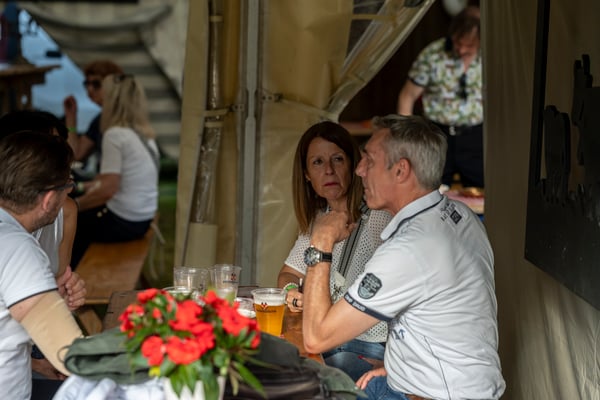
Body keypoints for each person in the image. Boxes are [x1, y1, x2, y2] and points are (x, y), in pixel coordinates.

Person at [301, 115, 505, 399]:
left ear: (400, 171)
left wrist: (321, 241)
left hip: (440, 396)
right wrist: (398, 368)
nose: (359, 169)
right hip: (456, 388)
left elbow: (315, 338)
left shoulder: (410, 248)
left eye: (369, 160)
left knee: (302, 385)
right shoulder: (459, 215)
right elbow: (453, 315)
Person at [277, 121, 391, 381]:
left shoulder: (379, 217)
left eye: (337, 159)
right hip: (326, 341)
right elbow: (288, 273)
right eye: (317, 162)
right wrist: (292, 292)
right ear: (307, 174)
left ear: (353, 165)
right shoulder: (320, 218)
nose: (328, 170)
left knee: (302, 376)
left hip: (367, 346)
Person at [0, 131, 83, 399]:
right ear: (48, 200)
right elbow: (70, 354)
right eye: (67, 185)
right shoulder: (17, 248)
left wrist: (51, 300)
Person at [70, 74, 159, 269]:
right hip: (142, 219)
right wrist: (81, 189)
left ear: (111, 101)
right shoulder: (144, 135)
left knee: (66, 226)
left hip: (124, 222)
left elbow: (107, 190)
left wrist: (73, 206)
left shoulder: (114, 135)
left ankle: (70, 281)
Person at [397, 6, 484, 189]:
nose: (461, 49)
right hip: (437, 135)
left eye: (469, 46)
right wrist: (406, 141)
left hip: (476, 136)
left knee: (481, 192)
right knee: (433, 189)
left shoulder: (491, 56)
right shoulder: (433, 55)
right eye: (458, 42)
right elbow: (407, 96)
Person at [63, 60, 124, 178]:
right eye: (87, 84)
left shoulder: (125, 117)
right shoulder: (99, 120)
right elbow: (76, 155)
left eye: (96, 84)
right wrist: (71, 117)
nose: (90, 89)